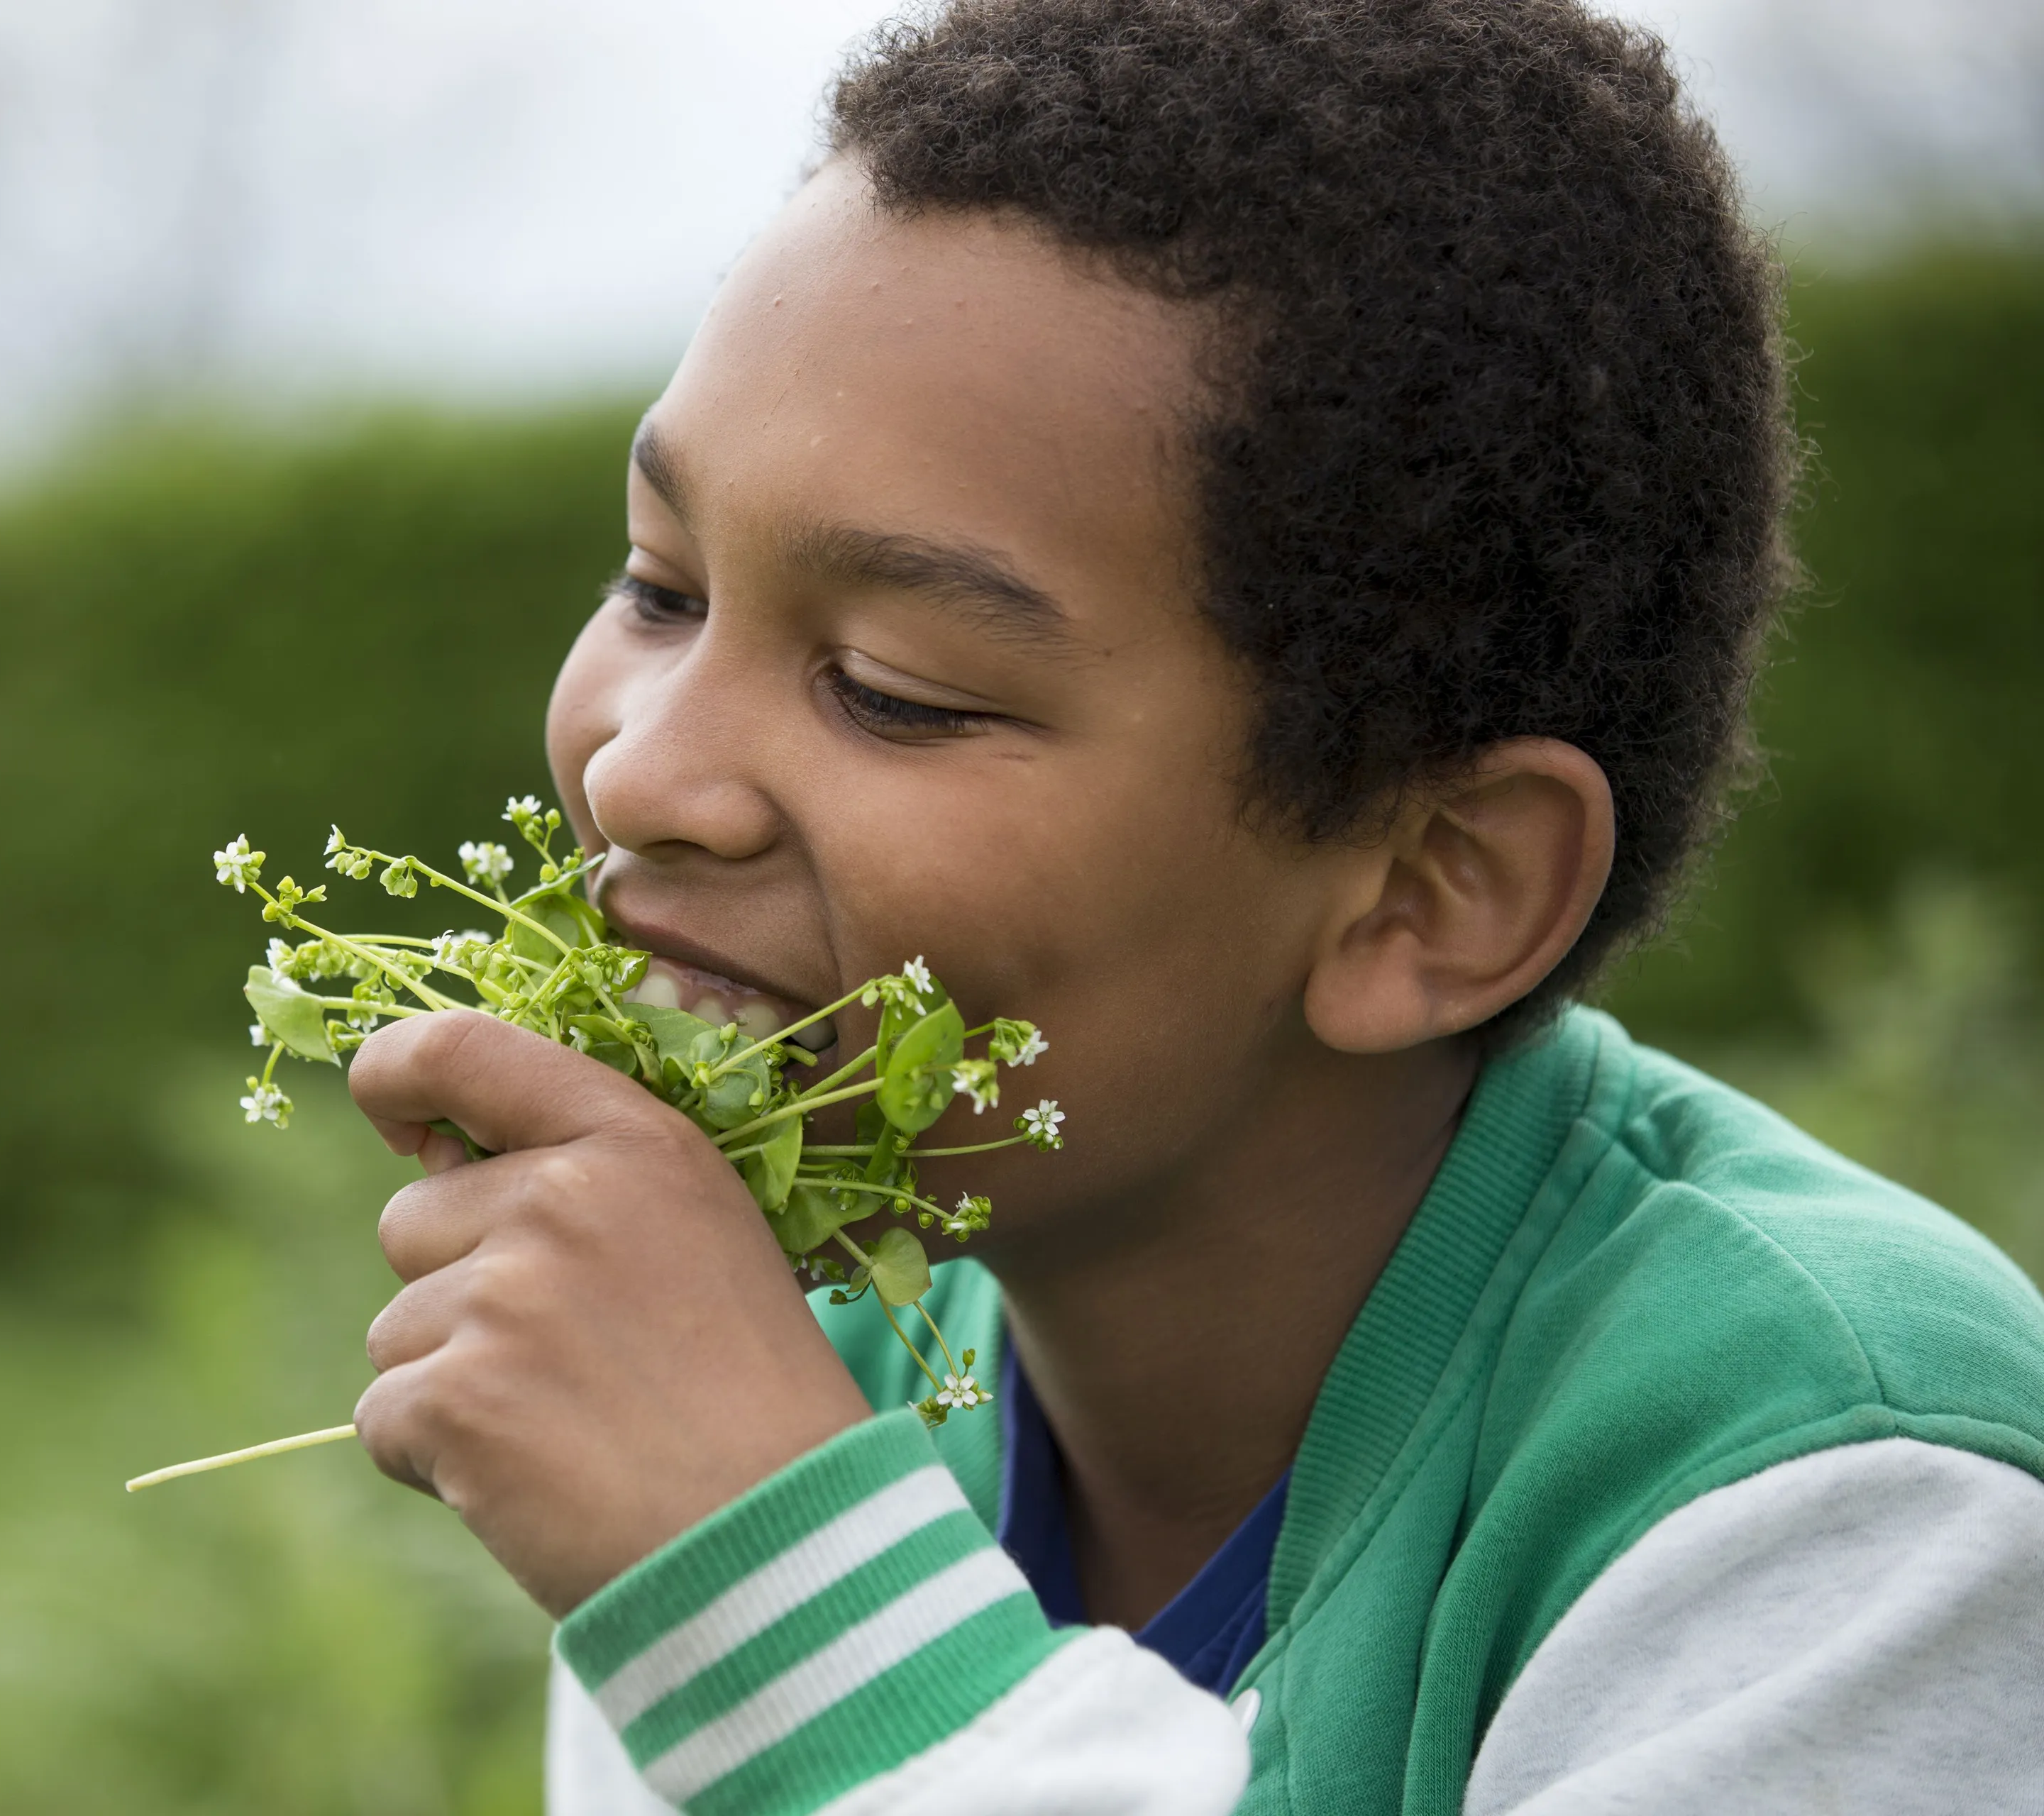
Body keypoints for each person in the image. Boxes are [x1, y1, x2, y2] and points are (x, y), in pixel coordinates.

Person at [337, 3, 2044, 1811]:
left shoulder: (1851, 1509)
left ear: (1431, 890)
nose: (639, 773)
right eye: (660, 585)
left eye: (898, 687)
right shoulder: (779, 1374)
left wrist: (776, 1596)